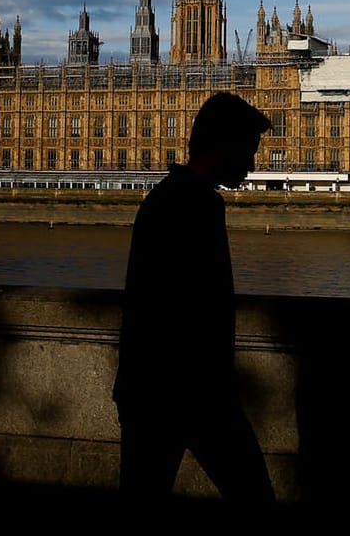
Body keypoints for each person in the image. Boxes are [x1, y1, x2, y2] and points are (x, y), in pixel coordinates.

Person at [113, 91, 276, 506]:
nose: (253, 165)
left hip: (157, 392)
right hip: (183, 393)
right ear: (223, 145)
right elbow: (188, 309)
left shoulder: (170, 197)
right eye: (248, 152)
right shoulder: (193, 206)